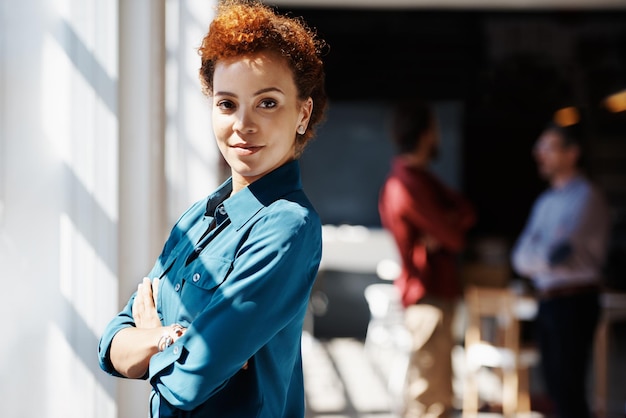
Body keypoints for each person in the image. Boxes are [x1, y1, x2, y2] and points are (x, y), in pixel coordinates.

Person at [97, 1, 327, 416]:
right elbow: (112, 340)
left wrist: (153, 341)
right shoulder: (198, 215)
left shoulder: (288, 226)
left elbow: (192, 379)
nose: (243, 124)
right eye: (226, 104)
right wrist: (168, 339)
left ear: (302, 113)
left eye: (267, 103)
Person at [378, 101, 476, 417]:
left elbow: (464, 212)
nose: (438, 137)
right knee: (428, 396)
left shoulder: (421, 179)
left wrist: (445, 226)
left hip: (439, 293)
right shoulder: (405, 184)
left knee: (441, 391)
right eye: (434, 130)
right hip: (426, 296)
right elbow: (455, 236)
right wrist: (446, 227)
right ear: (423, 135)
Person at [511, 119, 610, 418]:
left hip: (574, 300)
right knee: (554, 388)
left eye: (549, 147)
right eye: (540, 147)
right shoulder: (546, 202)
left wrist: (536, 254)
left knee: (569, 389)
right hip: (548, 299)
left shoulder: (585, 197)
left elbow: (558, 254)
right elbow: (519, 257)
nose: (541, 154)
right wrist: (538, 255)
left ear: (572, 153)